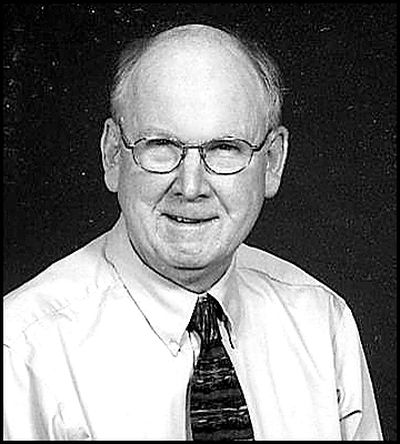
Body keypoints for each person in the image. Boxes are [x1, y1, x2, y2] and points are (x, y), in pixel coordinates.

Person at [3, 23, 382, 440]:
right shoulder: (21, 355)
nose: (190, 186)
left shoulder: (322, 323)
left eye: (225, 148)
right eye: (160, 145)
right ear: (112, 155)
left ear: (273, 161)